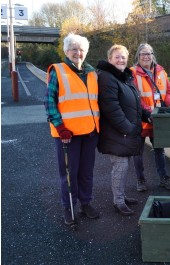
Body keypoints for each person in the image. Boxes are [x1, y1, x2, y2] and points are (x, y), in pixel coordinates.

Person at [44, 33, 100, 226]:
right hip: (68, 134)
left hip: (90, 132)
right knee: (68, 172)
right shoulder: (58, 71)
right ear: (67, 51)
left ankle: (85, 203)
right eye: (74, 49)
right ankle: (69, 207)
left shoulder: (91, 73)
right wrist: (59, 126)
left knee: (86, 171)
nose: (78, 53)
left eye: (81, 49)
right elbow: (49, 100)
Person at [97, 44, 151, 216]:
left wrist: (147, 115)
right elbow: (112, 110)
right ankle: (118, 201)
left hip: (125, 133)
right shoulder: (107, 78)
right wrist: (130, 129)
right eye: (117, 57)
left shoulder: (124, 77)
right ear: (110, 59)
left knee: (124, 166)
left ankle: (121, 196)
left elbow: (133, 104)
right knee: (120, 166)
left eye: (123, 57)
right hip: (117, 133)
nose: (121, 60)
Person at [131, 43, 170, 191]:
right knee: (138, 152)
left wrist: (169, 103)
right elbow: (133, 97)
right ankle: (141, 180)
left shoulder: (161, 71)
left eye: (149, 53)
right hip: (141, 119)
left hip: (159, 119)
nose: (146, 56)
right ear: (138, 56)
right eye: (143, 54)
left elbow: (168, 91)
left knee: (159, 149)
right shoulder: (132, 73)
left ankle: (163, 178)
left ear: (153, 55)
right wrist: (147, 113)